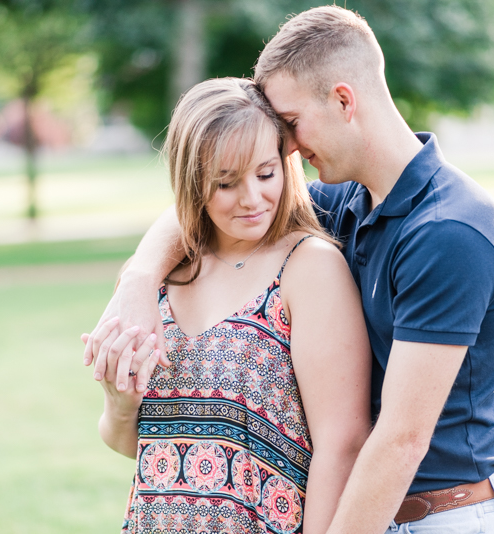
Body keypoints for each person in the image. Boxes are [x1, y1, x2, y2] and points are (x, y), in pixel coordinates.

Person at [84, 6, 494, 534]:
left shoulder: (450, 232)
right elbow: (199, 205)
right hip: (373, 514)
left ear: (344, 100)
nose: (290, 147)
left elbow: (400, 440)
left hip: (451, 518)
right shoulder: (348, 200)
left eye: (292, 124)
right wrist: (140, 280)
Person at [83, 77, 372, 534]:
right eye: (225, 182)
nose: (253, 198)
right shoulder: (160, 276)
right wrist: (120, 405)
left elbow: (344, 443)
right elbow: (139, 446)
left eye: (265, 173)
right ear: (192, 181)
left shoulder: (308, 268)